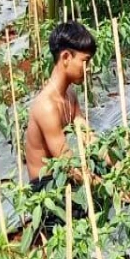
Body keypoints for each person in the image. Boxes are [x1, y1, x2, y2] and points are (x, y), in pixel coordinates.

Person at [24, 22, 97, 186]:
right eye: (85, 61)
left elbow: (88, 136)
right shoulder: (46, 106)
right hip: (48, 187)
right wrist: (112, 189)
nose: (88, 68)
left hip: (65, 178)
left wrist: (118, 166)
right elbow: (68, 165)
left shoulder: (69, 94)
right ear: (66, 57)